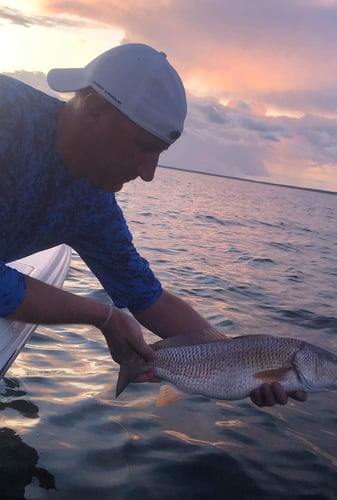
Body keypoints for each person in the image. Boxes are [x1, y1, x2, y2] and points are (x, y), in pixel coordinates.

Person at [0, 43, 306, 407]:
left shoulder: (93, 205)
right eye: (144, 147)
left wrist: (239, 361)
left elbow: (147, 296)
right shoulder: (8, 119)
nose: (149, 174)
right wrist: (104, 316)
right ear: (96, 112)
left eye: (159, 154)